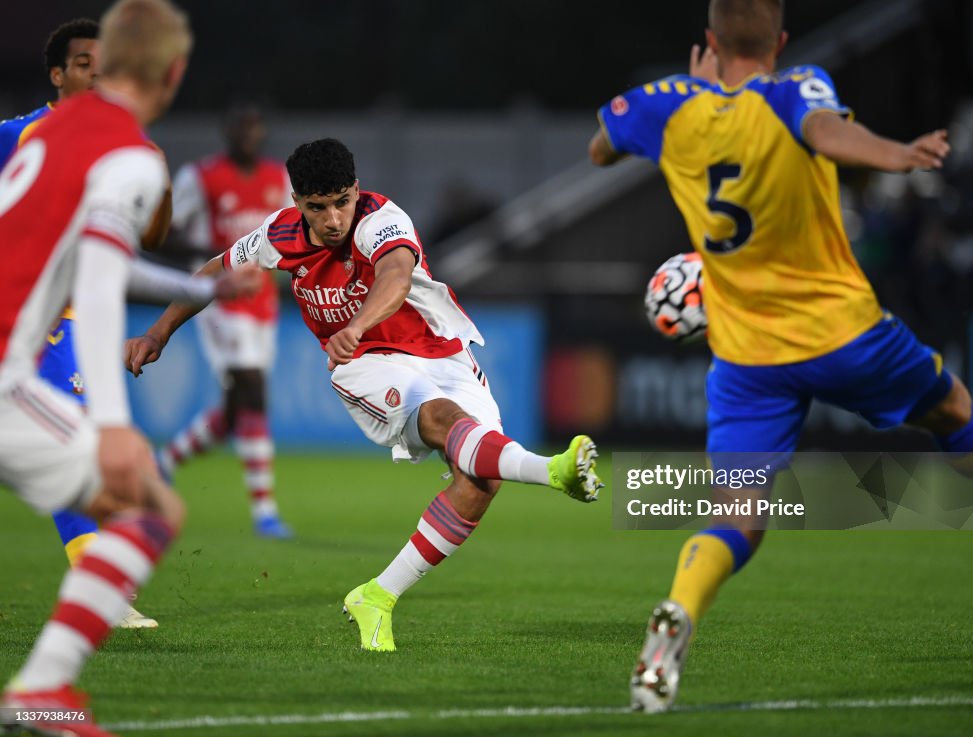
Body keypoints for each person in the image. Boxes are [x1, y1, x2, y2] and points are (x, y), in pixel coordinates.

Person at [589, 0, 973, 713]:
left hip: (746, 355)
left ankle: (678, 612)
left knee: (739, 513)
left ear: (709, 42)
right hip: (840, 333)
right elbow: (823, 129)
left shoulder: (667, 106)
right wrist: (897, 154)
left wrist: (683, 96)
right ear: (780, 43)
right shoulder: (794, 89)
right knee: (953, 409)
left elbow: (600, 146)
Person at [125, 137, 604, 653]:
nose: (333, 218)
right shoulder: (279, 233)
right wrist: (159, 332)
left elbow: (395, 276)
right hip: (364, 363)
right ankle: (554, 471)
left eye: (341, 201)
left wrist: (355, 321)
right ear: (297, 203)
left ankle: (376, 596)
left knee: (479, 482)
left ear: (356, 190)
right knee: (443, 419)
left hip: (442, 353)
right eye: (318, 207)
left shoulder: (382, 219)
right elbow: (217, 269)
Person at [0, 1, 193, 733]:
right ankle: (39, 691)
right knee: (150, 503)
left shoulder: (47, 132)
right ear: (173, 72)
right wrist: (112, 422)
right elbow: (106, 284)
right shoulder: (127, 153)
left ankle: (41, 694)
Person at [159, 104, 294, 538]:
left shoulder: (280, 179)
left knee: (238, 407)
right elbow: (166, 232)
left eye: (254, 127)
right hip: (220, 301)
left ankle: (166, 460)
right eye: (240, 126)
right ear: (228, 131)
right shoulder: (201, 177)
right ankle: (265, 510)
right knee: (253, 388)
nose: (248, 134)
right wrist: (206, 257)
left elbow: (295, 234)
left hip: (263, 302)